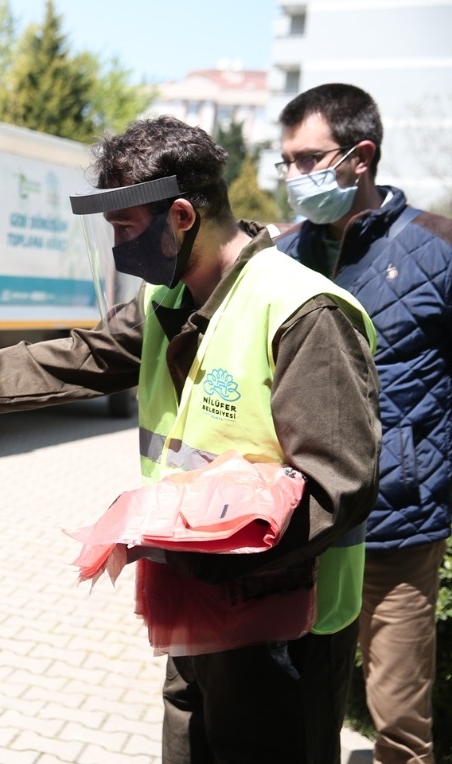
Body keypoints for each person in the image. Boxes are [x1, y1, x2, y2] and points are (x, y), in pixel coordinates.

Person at [0, 115, 381, 763]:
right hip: (196, 608)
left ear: (181, 218)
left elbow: (337, 489)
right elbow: (57, 363)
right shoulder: (164, 305)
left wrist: (180, 542)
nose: (116, 251)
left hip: (284, 627)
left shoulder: (304, 313)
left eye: (124, 228)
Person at [276, 82, 452, 764]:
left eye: (308, 158)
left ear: (361, 157)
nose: (295, 177)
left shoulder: (438, 251)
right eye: (285, 161)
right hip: (305, 527)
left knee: (401, 721)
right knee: (298, 702)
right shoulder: (284, 256)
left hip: (397, 527)